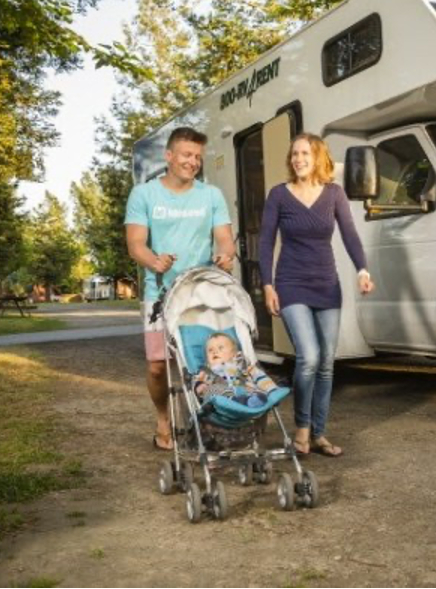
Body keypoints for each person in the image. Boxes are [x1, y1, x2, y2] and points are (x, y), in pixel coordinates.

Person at [259, 133, 374, 458]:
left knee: (326, 364)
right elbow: (266, 241)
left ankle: (319, 434)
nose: (298, 159)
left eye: (305, 153)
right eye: (294, 154)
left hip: (326, 283)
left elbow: (349, 234)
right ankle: (302, 430)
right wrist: (268, 284)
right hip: (291, 282)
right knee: (308, 357)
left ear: (318, 157)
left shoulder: (334, 194)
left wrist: (362, 270)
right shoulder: (279, 195)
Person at [125, 126, 235, 450]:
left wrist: (226, 256)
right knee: (158, 366)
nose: (193, 162)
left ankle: (210, 419)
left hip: (201, 291)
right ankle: (163, 418)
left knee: (206, 361)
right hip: (158, 293)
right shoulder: (144, 195)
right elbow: (135, 244)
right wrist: (153, 260)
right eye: (187, 155)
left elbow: (226, 238)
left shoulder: (210, 195)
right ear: (169, 156)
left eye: (198, 157)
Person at [194, 332, 279, 408]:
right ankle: (238, 401)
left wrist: (272, 391)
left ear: (233, 353)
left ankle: (253, 400)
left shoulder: (242, 366)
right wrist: (199, 385)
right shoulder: (207, 371)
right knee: (213, 389)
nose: (215, 352)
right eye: (210, 350)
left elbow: (260, 377)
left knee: (255, 386)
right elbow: (196, 380)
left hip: (246, 392)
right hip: (222, 401)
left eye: (220, 348)